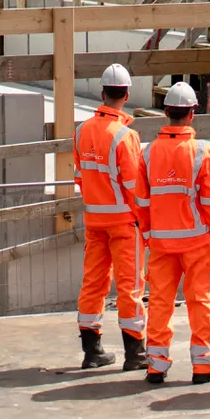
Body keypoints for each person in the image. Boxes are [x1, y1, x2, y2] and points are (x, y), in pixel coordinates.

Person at [141, 82, 210, 385]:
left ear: (166, 112)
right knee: (201, 302)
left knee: (159, 302)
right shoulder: (202, 153)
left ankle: (155, 365)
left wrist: (147, 233)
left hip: (161, 243)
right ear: (192, 114)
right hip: (196, 243)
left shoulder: (148, 153)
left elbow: (141, 200)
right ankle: (204, 367)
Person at [73, 64, 150, 372]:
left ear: (102, 93)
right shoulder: (125, 136)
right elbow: (135, 187)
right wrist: (145, 221)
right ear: (127, 94)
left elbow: (80, 176)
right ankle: (135, 354)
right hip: (123, 223)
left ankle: (92, 352)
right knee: (130, 287)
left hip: (94, 221)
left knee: (93, 283)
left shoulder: (81, 132)